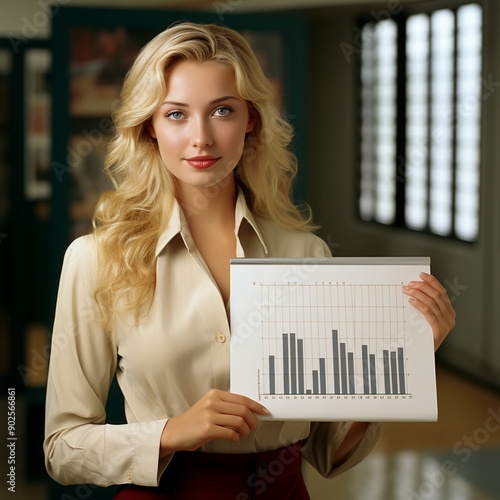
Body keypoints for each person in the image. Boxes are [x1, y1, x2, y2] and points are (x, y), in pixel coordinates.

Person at [44, 22, 456, 499]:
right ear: (149, 126)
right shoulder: (95, 260)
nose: (201, 138)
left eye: (222, 110)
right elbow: (62, 449)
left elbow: (327, 453)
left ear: (251, 119)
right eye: (176, 114)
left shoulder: (306, 255)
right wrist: (172, 431)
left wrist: (404, 361)